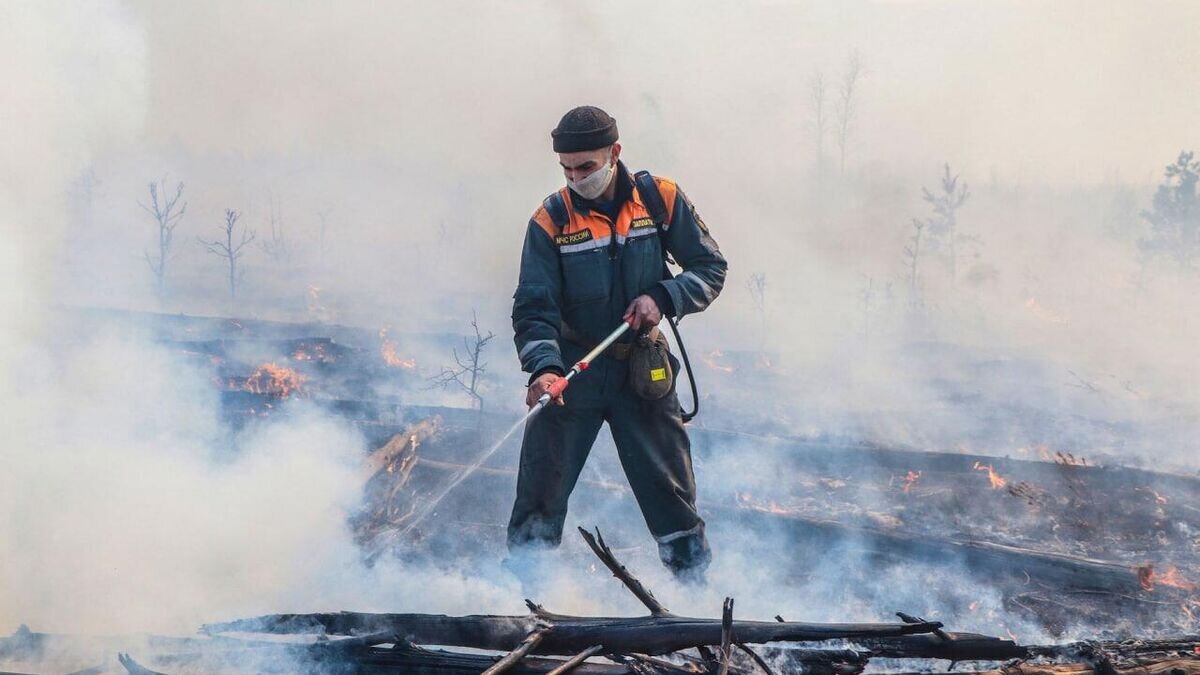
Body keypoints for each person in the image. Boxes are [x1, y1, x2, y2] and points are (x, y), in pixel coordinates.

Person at [507, 105, 727, 579]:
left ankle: (695, 591)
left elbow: (711, 269)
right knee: (540, 491)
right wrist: (544, 369)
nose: (576, 178)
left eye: (585, 166)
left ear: (615, 153)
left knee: (670, 492)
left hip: (642, 369)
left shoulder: (660, 199)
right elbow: (533, 307)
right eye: (566, 169)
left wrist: (663, 297)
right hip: (572, 375)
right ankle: (524, 595)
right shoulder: (550, 219)